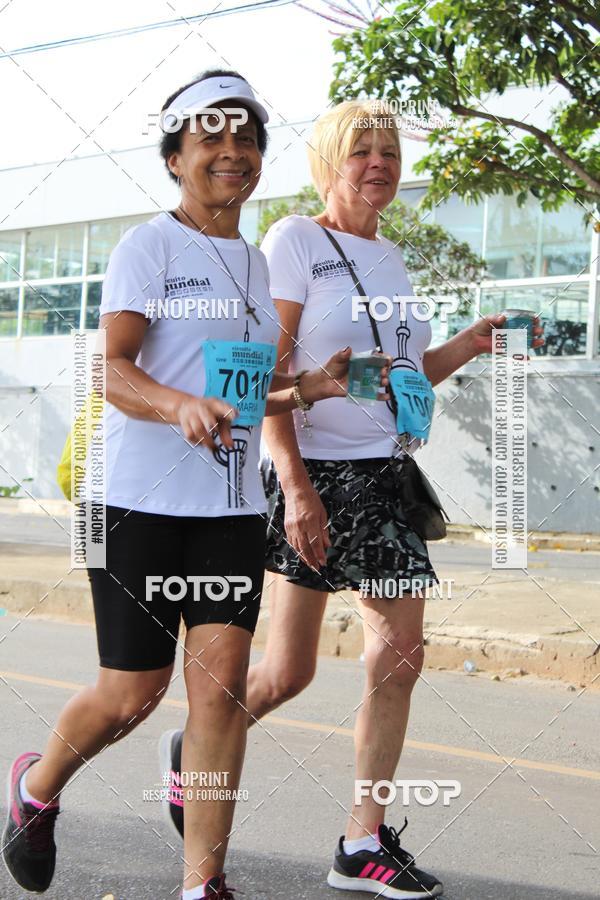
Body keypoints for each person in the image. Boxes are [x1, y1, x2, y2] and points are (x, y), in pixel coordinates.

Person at [159, 98, 545, 899]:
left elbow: (391, 382)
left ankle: (360, 844)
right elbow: (262, 378)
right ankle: (197, 752)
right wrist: (295, 486)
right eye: (361, 151)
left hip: (384, 477)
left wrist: (465, 347)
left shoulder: (393, 261)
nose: (379, 165)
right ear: (329, 162)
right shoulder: (295, 242)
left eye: (391, 154)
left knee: (399, 654)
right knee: (288, 672)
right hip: (313, 474)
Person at [1, 72, 357, 900]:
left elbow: (234, 399)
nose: (234, 152)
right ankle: (34, 786)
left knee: (221, 699)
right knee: (132, 694)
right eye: (212, 139)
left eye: (247, 139)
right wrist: (174, 407)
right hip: (132, 502)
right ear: (175, 158)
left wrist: (304, 391)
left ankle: (203, 884)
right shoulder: (148, 247)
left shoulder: (253, 260)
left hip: (229, 508)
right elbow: (112, 371)